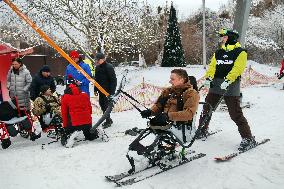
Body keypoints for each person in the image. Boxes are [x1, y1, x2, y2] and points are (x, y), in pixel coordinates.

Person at [200, 28, 255, 151]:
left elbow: (238, 68)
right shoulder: (218, 52)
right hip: (216, 83)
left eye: (224, 37)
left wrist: (228, 80)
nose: (222, 39)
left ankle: (248, 138)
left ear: (231, 37)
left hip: (231, 84)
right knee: (207, 108)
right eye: (222, 37)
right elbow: (213, 66)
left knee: (235, 113)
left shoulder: (240, 52)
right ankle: (202, 129)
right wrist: (209, 78)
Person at [94, 53, 117, 128]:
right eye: (96, 59)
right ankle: (108, 119)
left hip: (108, 91)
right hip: (101, 91)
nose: (97, 61)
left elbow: (113, 80)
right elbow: (96, 80)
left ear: (103, 59)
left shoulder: (109, 67)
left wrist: (112, 93)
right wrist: (95, 89)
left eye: (98, 59)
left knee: (106, 106)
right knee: (102, 105)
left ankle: (108, 120)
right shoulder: (97, 68)